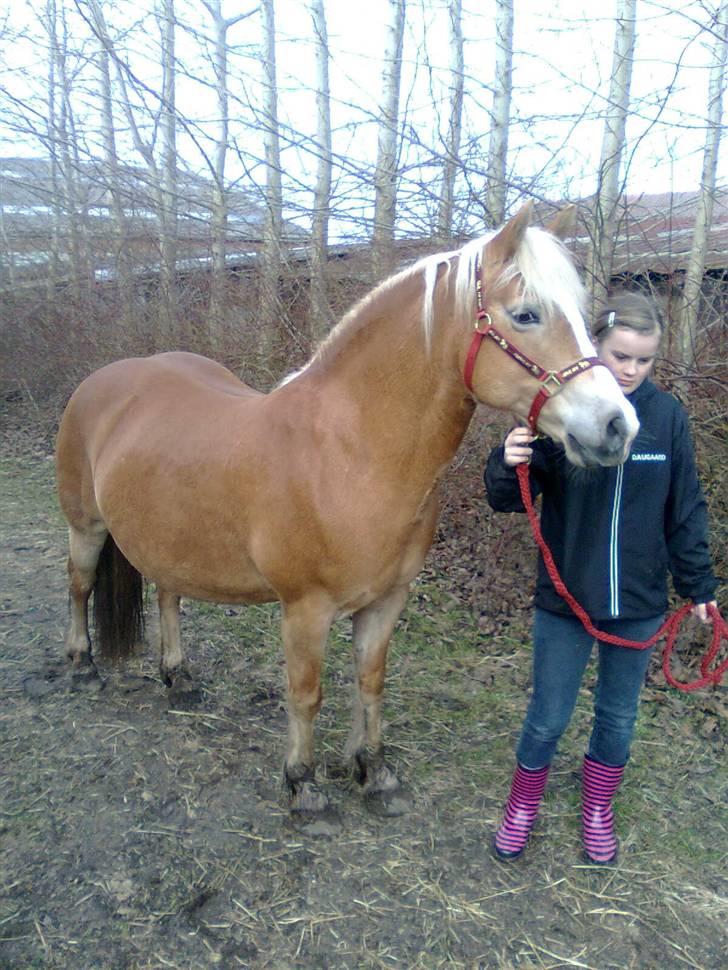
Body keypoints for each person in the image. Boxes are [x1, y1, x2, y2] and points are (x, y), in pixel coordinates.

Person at [484, 291, 718, 864]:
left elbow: (684, 509)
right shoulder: (562, 410)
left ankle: (597, 808)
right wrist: (507, 460)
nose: (631, 370)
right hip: (566, 602)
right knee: (549, 715)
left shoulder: (666, 419)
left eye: (643, 360)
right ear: (597, 348)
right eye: (620, 355)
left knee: (618, 715)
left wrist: (700, 586)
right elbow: (509, 500)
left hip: (638, 604)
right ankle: (522, 806)